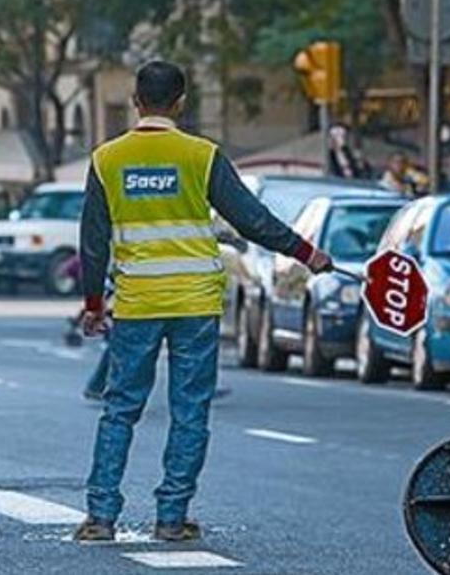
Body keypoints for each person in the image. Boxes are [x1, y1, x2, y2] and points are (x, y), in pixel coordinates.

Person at [72, 60, 332, 543]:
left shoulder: (107, 158)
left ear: (135, 102)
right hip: (195, 303)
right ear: (181, 103)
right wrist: (306, 253)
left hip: (137, 304)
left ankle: (100, 517)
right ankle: (171, 518)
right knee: (189, 411)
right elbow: (252, 220)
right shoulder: (201, 155)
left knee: (120, 410)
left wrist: (93, 303)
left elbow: (92, 240)